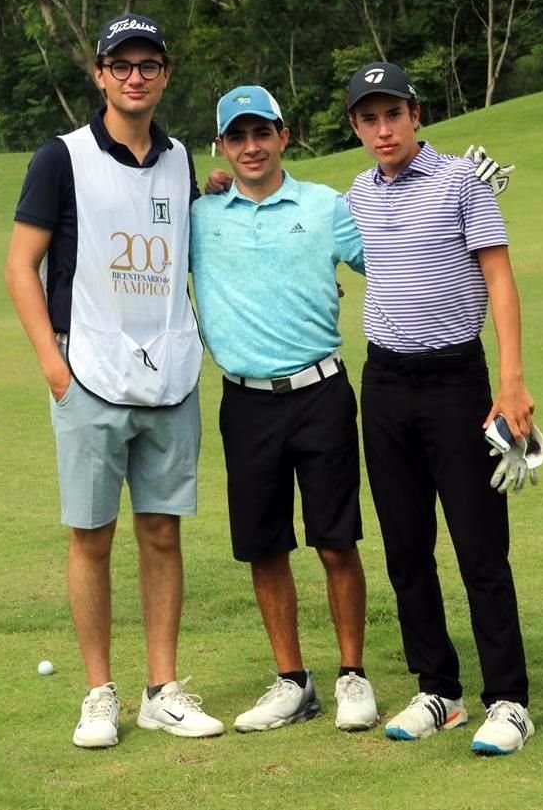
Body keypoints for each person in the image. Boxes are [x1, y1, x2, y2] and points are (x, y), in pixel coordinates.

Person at [5, 13, 224, 747]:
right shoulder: (60, 157)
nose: (136, 76)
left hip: (169, 376)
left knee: (162, 532)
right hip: (88, 373)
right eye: (121, 64)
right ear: (99, 73)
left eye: (149, 64)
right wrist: (52, 365)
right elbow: (20, 265)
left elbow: (188, 234)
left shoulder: (182, 158)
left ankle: (162, 688)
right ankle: (99, 693)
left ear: (165, 73)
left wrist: (214, 183)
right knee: (90, 536)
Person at [345, 62, 535, 755]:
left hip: (458, 380)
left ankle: (509, 699)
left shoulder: (462, 182)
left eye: (393, 113)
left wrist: (511, 383)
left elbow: (500, 279)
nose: (383, 128)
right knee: (405, 547)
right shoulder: (357, 193)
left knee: (480, 545)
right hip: (385, 382)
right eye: (369, 118)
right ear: (357, 128)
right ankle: (440, 688)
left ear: (415, 114)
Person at [190, 85, 378, 734]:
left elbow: (391, 257)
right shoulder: (202, 215)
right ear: (221, 146)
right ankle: (293, 681)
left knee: (335, 540)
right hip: (245, 402)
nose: (250, 147)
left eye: (260, 133)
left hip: (322, 392)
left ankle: (352, 674)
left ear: (283, 135)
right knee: (263, 545)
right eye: (236, 137)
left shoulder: (327, 206)